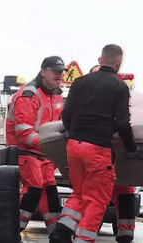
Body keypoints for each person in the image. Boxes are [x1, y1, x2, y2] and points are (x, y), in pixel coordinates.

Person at [49, 44, 140, 243]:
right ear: (119, 63)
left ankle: (61, 233)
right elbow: (124, 123)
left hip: (74, 146)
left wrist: (75, 133)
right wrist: (132, 149)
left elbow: (66, 114)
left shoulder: (79, 82)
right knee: (97, 201)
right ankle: (83, 239)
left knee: (80, 193)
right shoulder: (119, 87)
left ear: (100, 60)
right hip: (97, 149)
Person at [6, 56, 66, 235]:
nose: (59, 76)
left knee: (50, 191)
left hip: (42, 153)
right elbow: (23, 132)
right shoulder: (29, 95)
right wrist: (51, 147)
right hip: (27, 152)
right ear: (43, 72)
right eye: (55, 72)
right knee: (34, 189)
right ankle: (11, 231)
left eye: (61, 72)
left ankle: (56, 234)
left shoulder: (55, 94)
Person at [93, 64, 136, 243]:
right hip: (99, 156)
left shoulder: (116, 94)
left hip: (113, 159)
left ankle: (125, 235)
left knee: (124, 192)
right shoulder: (94, 97)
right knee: (94, 197)